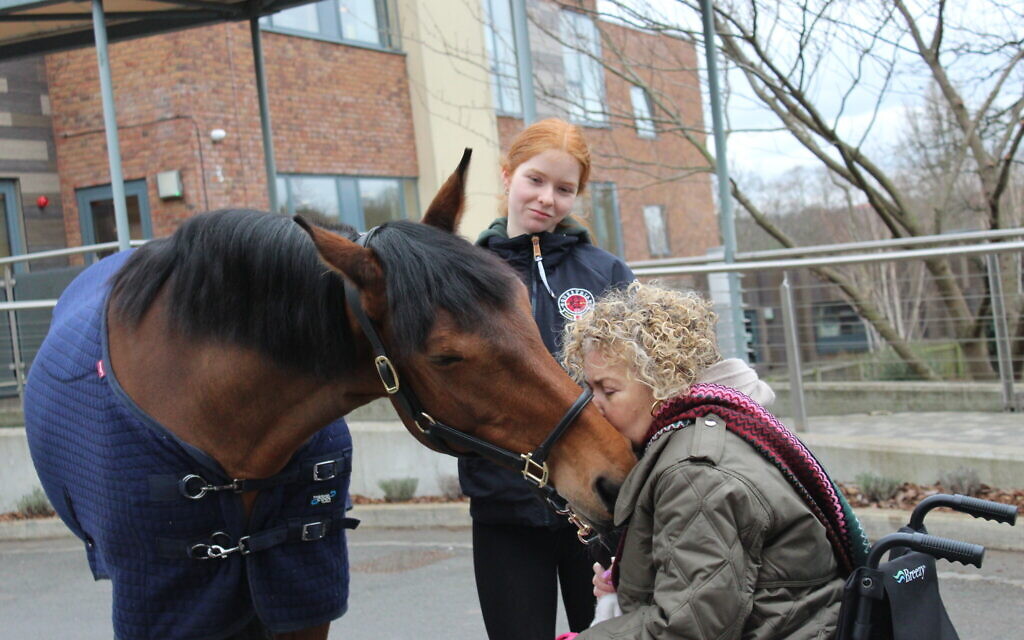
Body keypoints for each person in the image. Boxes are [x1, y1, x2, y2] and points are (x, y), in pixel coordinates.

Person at [557, 282, 869, 640]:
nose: (594, 406)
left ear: (661, 382)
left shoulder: (696, 473)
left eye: (608, 390)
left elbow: (691, 627)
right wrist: (627, 583)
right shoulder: (727, 423)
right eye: (589, 390)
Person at [458, 118, 635, 640]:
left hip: (598, 510)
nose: (547, 199)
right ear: (508, 174)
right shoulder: (467, 272)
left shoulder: (605, 273)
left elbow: (638, 380)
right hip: (504, 507)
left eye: (564, 189)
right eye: (535, 180)